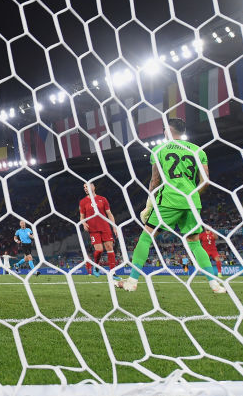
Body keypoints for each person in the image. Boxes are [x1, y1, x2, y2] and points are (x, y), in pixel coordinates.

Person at [115, 118, 226, 294]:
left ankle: (132, 281)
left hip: (169, 201)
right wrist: (191, 196)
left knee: (146, 237)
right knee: (195, 244)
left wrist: (150, 202)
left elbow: (155, 180)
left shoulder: (158, 150)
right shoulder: (198, 150)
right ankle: (215, 285)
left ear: (168, 130)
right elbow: (205, 181)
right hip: (191, 202)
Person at [79, 182, 118, 277]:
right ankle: (96, 266)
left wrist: (114, 226)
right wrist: (84, 223)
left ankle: (113, 273)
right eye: (84, 187)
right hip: (93, 229)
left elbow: (109, 213)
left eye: (87, 186)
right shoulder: (83, 202)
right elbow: (82, 216)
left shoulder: (102, 199)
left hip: (105, 227)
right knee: (99, 250)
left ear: (93, 187)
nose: (85, 188)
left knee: (109, 247)